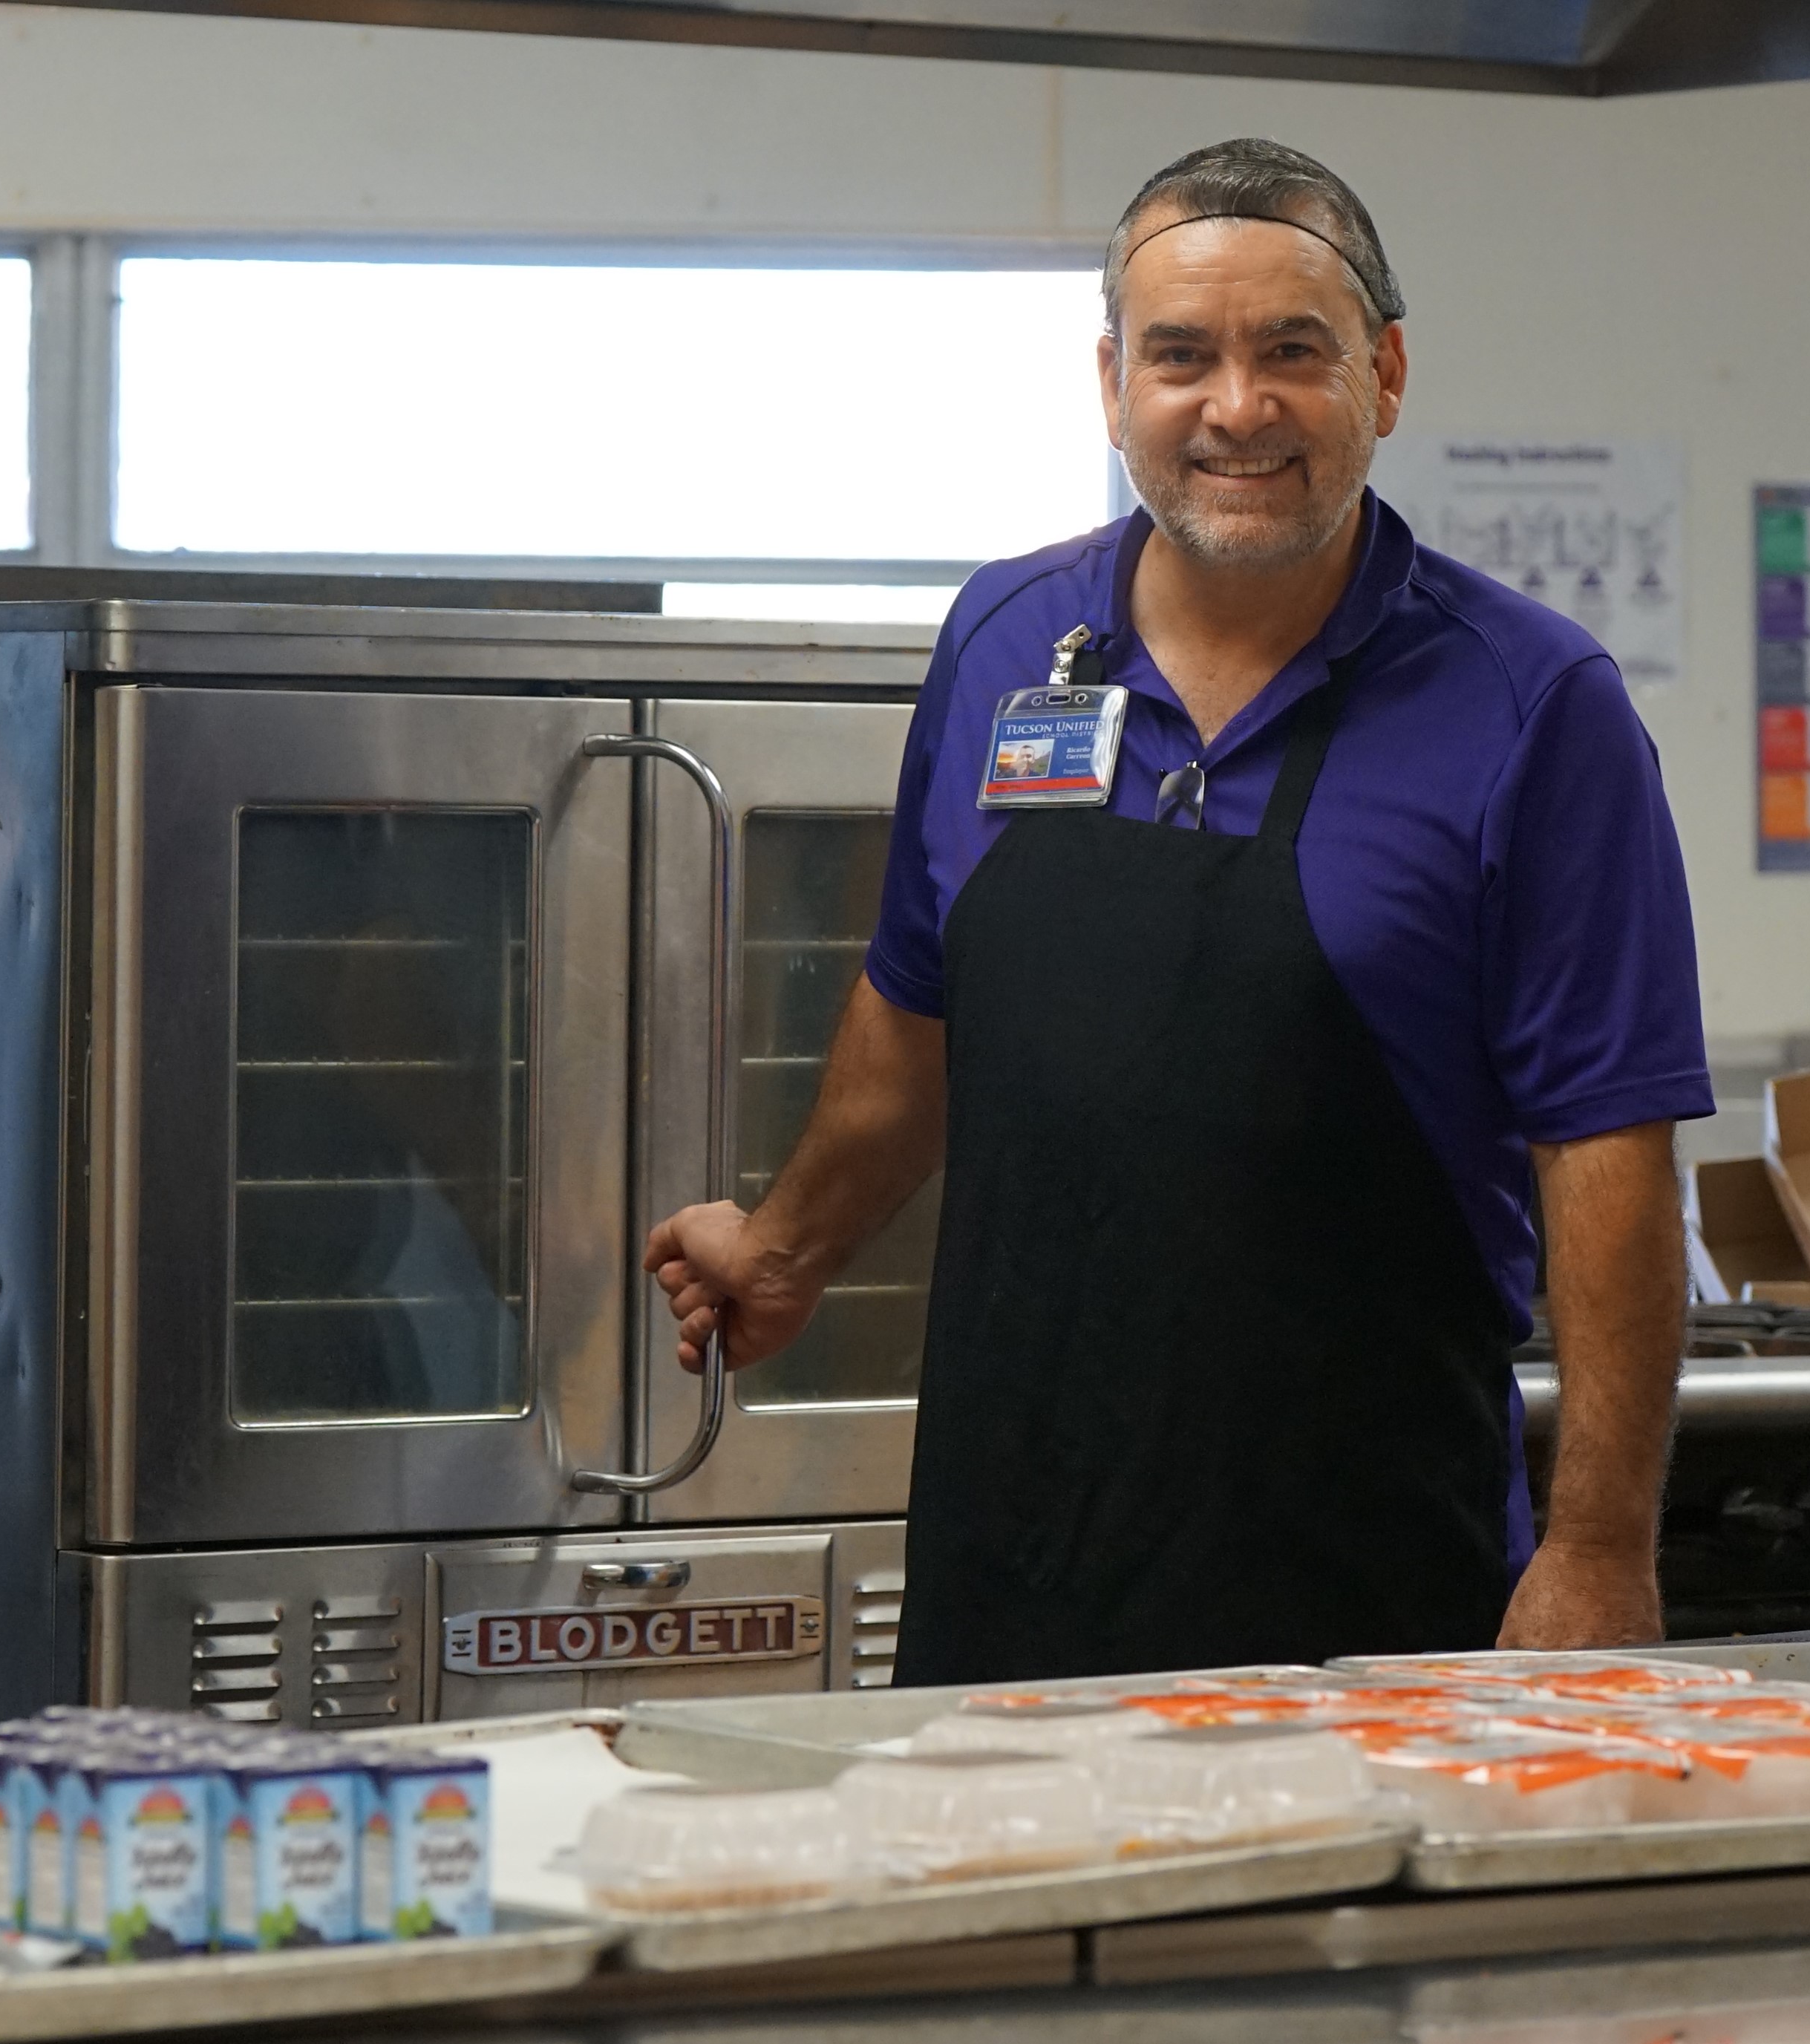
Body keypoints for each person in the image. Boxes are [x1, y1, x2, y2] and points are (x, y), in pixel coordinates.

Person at [644, 138, 1711, 1682]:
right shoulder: (1006, 637)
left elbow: (1606, 1145)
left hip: (1363, 1587)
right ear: (1112, 382)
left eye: (1294, 353)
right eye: (1182, 356)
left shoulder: (1534, 705)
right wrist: (791, 1249)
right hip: (1010, 1562)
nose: (1236, 409)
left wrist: (1600, 1550)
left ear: (1387, 374)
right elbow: (918, 1004)